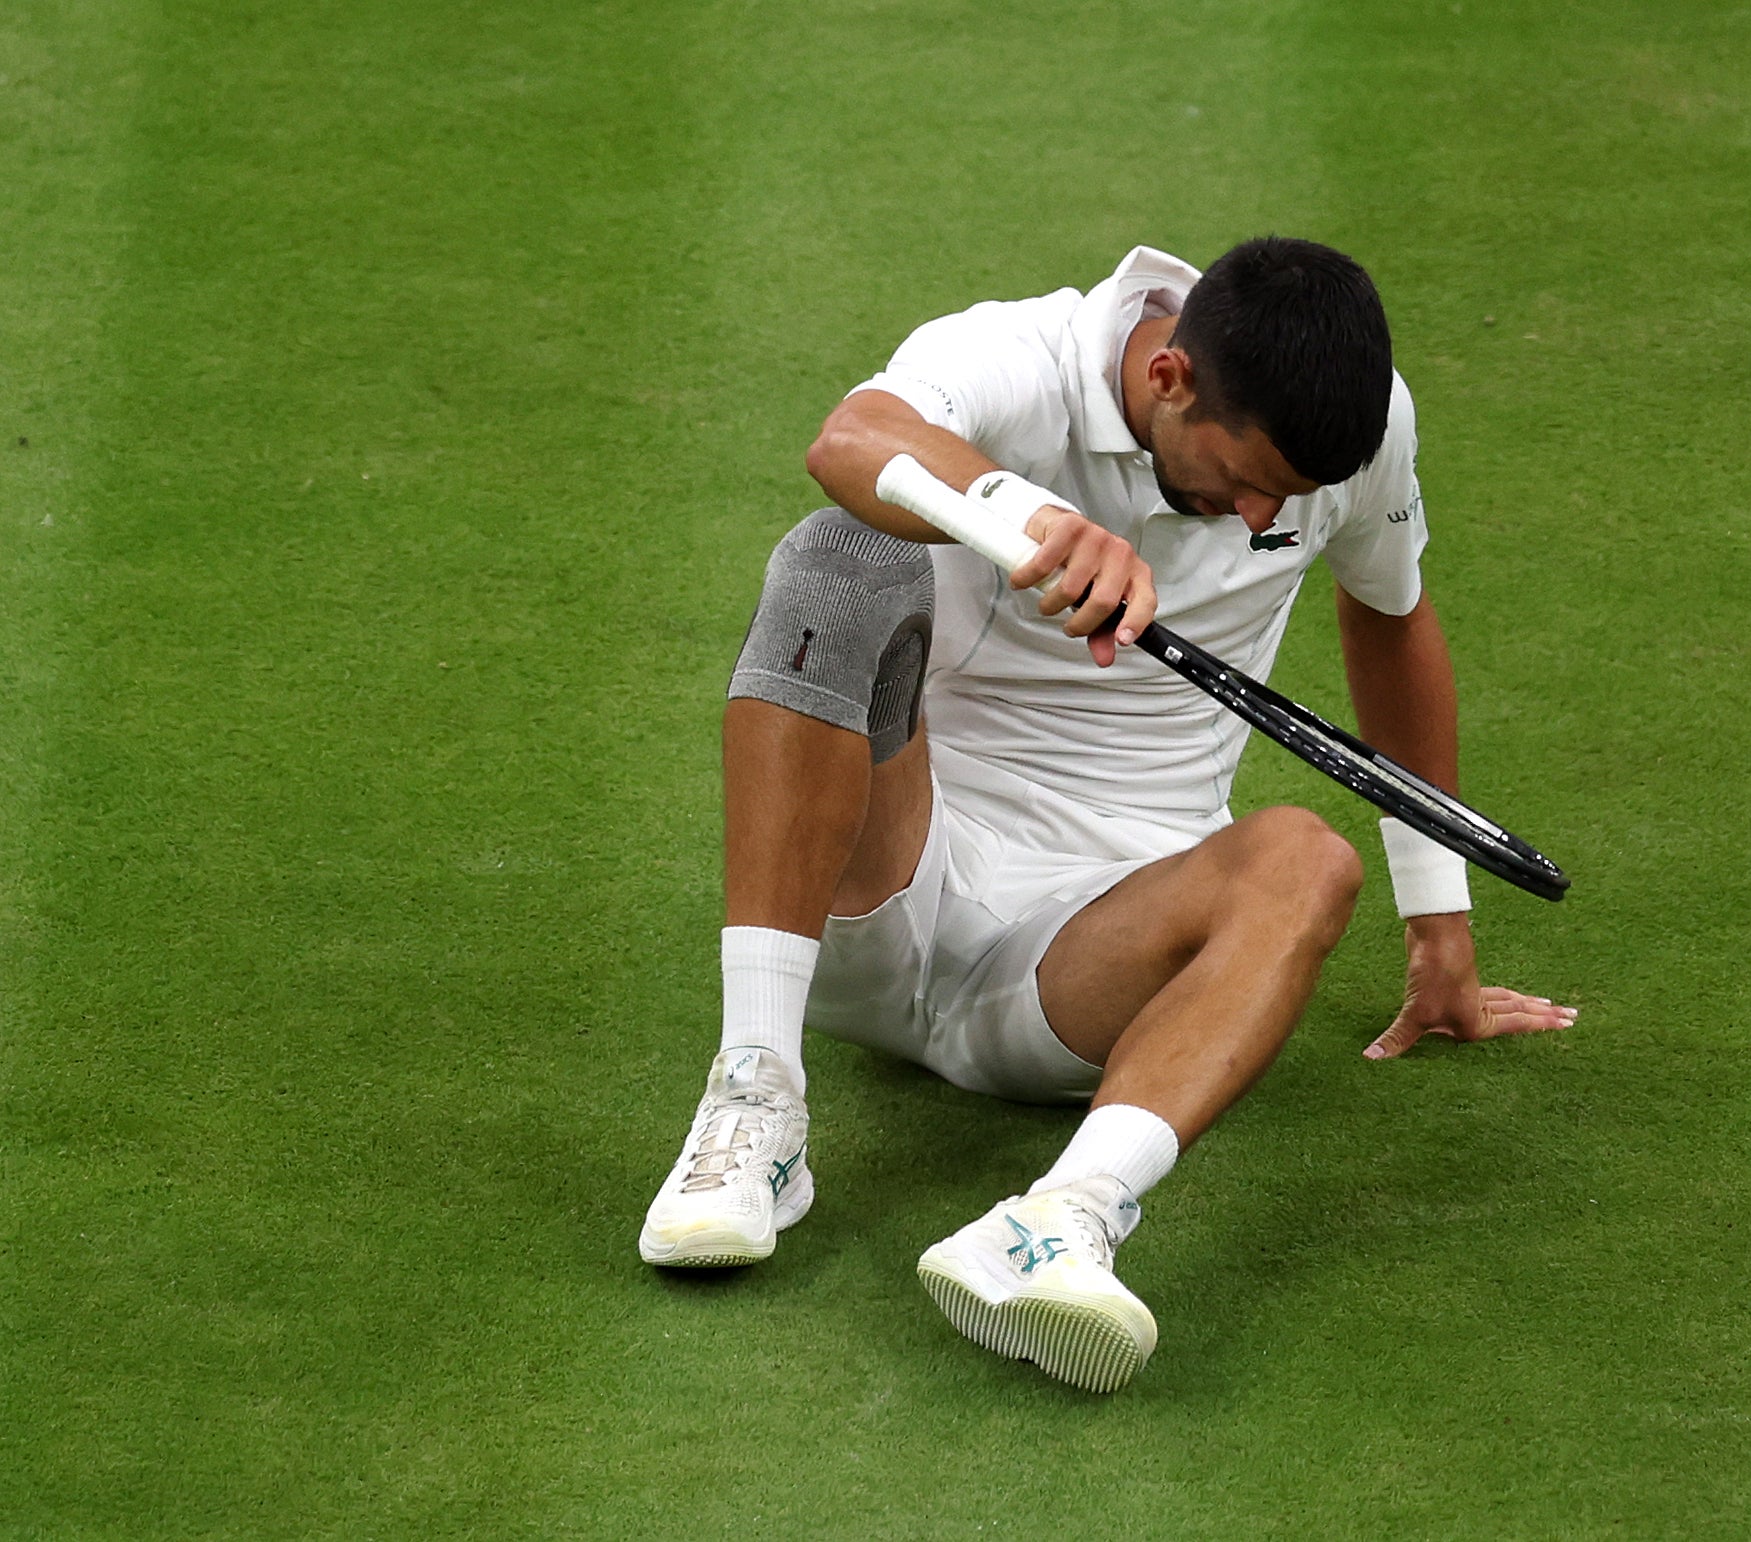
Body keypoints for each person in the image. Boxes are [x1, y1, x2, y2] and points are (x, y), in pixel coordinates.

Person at [637, 237, 1575, 1392]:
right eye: (1242, 483)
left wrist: (1438, 926)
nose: (1252, 520)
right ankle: (756, 1099)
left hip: (1083, 969)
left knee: (1303, 856)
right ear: (1168, 380)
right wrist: (1010, 512)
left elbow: (1389, 619)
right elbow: (845, 440)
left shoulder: (1358, 432)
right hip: (887, 874)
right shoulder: (1017, 355)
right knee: (840, 551)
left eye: (1284, 506)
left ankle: (1055, 1223)